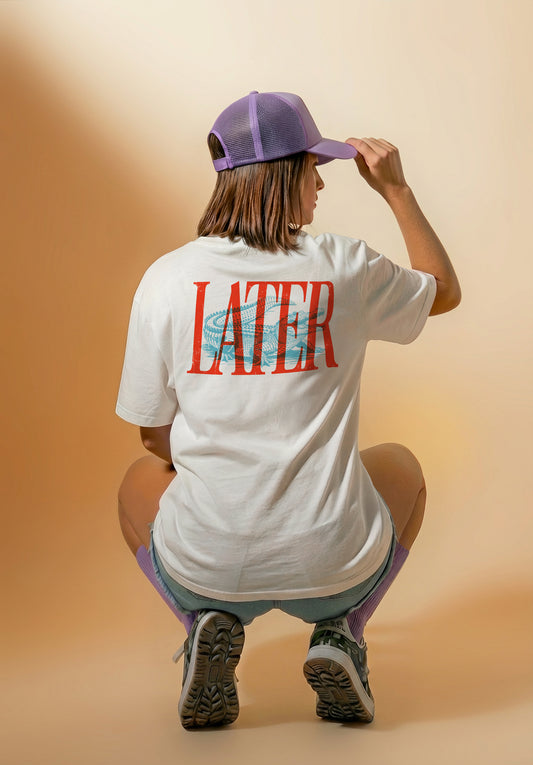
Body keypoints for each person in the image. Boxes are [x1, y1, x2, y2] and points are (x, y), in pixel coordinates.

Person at [116, 90, 461, 730]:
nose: (321, 185)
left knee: (137, 483)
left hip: (206, 566)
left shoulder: (167, 278)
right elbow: (442, 291)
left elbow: (152, 434)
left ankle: (201, 622)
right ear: (283, 175)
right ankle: (343, 631)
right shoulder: (345, 265)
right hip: (335, 564)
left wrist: (215, 459)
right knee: (402, 467)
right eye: (312, 168)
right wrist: (396, 190)